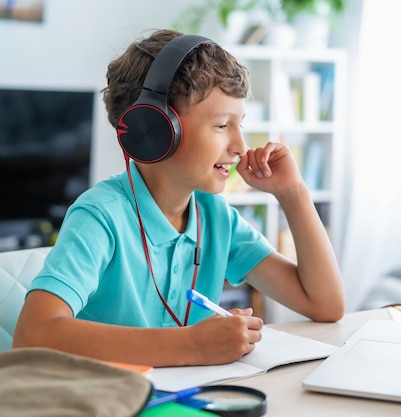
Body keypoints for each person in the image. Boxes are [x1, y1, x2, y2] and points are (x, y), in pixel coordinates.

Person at [12, 29, 345, 367]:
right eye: (221, 126)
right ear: (156, 130)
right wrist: (192, 345)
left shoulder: (215, 217)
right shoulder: (100, 217)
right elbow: (33, 334)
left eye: (240, 124)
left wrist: (293, 193)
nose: (241, 147)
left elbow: (325, 304)